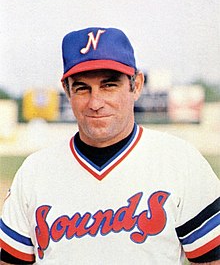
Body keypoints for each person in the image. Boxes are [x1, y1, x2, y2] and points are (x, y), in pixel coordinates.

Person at [0, 27, 219, 265]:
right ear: (67, 90)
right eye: (82, 88)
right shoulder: (34, 172)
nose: (95, 103)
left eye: (109, 85)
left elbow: (211, 259)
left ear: (136, 85)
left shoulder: (180, 161)